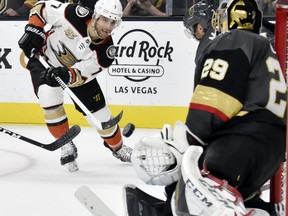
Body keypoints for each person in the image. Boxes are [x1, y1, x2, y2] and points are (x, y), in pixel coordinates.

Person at [130, 0, 286, 215]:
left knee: (191, 188)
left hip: (240, 140)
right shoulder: (266, 47)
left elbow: (216, 100)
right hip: (272, 149)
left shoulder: (233, 40)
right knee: (231, 192)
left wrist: (189, 138)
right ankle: (261, 209)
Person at [18, 0, 133, 172]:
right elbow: (41, 6)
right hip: (44, 60)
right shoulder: (73, 14)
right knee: (49, 100)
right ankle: (66, 144)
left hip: (73, 74)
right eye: (105, 19)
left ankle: (119, 148)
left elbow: (82, 74)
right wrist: (34, 28)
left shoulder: (105, 52)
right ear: (95, 16)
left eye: (113, 22)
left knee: (102, 116)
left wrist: (67, 74)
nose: (108, 27)